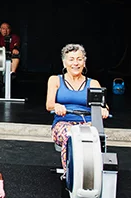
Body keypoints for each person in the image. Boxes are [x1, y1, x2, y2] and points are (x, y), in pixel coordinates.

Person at [45, 43, 110, 178]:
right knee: (72, 135)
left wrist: (104, 110)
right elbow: (49, 104)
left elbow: (104, 105)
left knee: (93, 136)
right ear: (64, 62)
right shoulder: (55, 80)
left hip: (87, 122)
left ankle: (96, 175)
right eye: (72, 59)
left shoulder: (93, 83)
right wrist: (57, 106)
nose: (76, 63)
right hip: (64, 122)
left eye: (79, 59)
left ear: (84, 62)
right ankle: (70, 176)